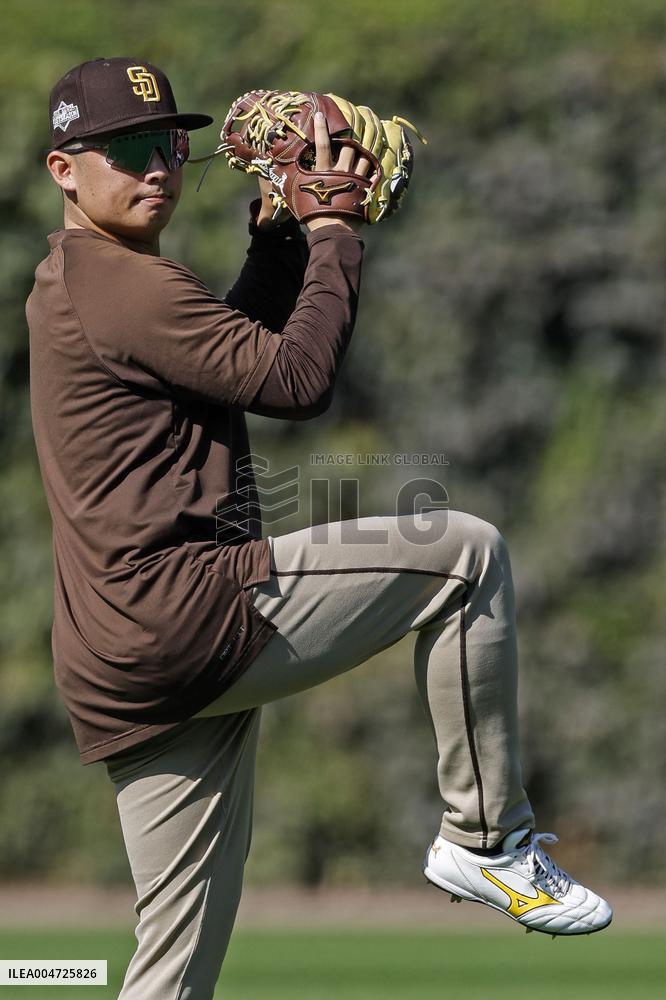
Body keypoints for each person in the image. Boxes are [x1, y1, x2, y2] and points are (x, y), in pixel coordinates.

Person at [27, 56, 612, 1000]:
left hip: (118, 664)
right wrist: (334, 229)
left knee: (171, 975)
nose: (158, 168)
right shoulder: (120, 283)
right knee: (466, 556)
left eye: (171, 144)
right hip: (189, 614)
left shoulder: (83, 282)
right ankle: (487, 842)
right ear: (65, 170)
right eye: (127, 148)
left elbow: (230, 355)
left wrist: (278, 242)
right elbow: (296, 383)